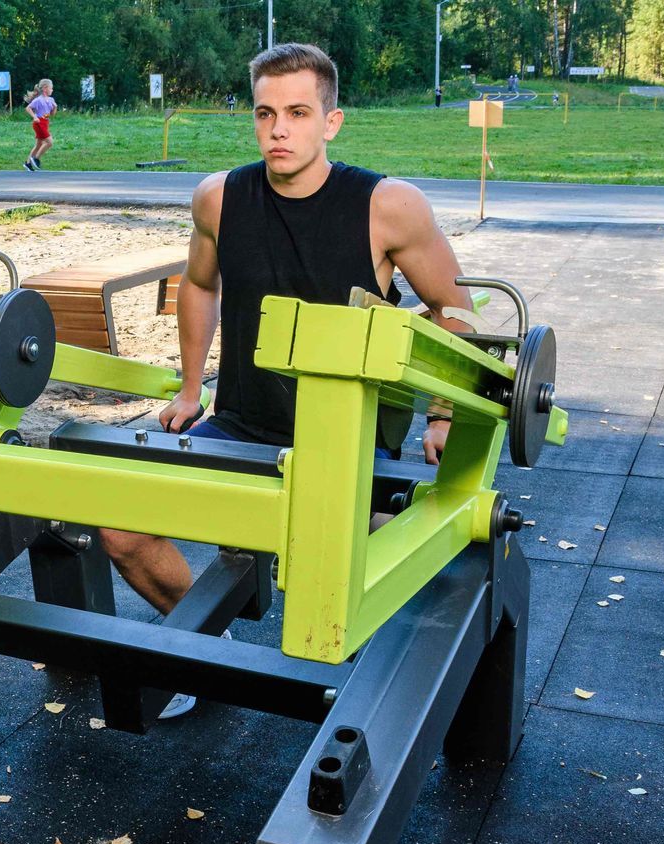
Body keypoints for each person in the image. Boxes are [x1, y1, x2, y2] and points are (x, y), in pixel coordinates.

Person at [99, 42, 475, 719]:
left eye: (298, 113)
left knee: (381, 574)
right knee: (120, 528)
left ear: (331, 122)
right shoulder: (219, 198)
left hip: (349, 442)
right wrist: (190, 388)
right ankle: (202, 645)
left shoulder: (388, 206)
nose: (279, 129)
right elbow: (200, 285)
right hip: (242, 425)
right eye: (265, 113)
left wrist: (445, 413)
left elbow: (454, 310)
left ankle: (385, 690)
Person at [24, 79, 57, 171]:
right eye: (51, 88)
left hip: (45, 122)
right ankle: (36, 158)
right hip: (39, 123)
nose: (52, 90)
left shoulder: (51, 100)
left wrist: (55, 107)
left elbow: (52, 114)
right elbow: (28, 108)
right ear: (45, 88)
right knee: (49, 142)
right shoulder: (38, 100)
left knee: (39, 144)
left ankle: (28, 163)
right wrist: (34, 117)